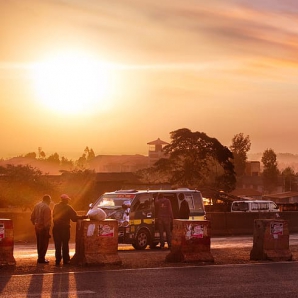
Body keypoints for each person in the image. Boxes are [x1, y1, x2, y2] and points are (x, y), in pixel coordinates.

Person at [52, 194, 88, 266]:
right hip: (65, 229)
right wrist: (84, 217)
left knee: (57, 245)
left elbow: (54, 216)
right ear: (66, 200)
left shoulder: (56, 206)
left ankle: (57, 260)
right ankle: (66, 260)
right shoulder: (68, 207)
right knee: (65, 244)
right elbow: (74, 218)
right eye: (67, 200)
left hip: (56, 228)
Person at [30, 194, 52, 264]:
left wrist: (35, 223)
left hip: (37, 227)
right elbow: (47, 221)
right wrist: (47, 231)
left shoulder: (37, 205)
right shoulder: (47, 208)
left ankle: (40, 257)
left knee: (39, 243)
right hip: (43, 228)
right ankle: (41, 258)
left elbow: (32, 216)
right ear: (48, 200)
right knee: (44, 244)